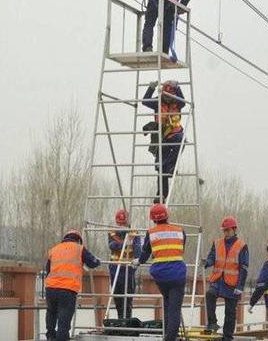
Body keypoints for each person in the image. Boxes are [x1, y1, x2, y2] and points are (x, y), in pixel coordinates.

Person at [134, 204, 187, 341]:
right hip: (177, 274)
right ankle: (170, 338)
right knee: (174, 309)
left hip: (161, 276)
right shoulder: (180, 231)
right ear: (167, 216)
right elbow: (180, 248)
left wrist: (138, 261)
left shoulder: (151, 233)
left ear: (153, 219)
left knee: (168, 303)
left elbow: (144, 255)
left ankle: (168, 335)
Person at [45, 230, 100, 341]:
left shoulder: (54, 249)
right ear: (78, 240)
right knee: (64, 320)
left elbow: (48, 269)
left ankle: (50, 336)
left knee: (51, 312)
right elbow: (93, 263)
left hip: (50, 288)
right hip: (67, 289)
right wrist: (98, 260)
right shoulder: (79, 249)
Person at [204, 217, 249, 340]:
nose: (226, 232)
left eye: (228, 230)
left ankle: (227, 336)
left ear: (234, 230)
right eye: (224, 230)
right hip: (218, 279)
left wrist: (240, 287)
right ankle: (212, 323)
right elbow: (212, 257)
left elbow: (244, 268)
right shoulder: (217, 243)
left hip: (232, 283)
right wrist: (207, 262)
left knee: (230, 312)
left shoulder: (242, 246)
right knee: (210, 294)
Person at [142, 80, 185, 203]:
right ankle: (161, 194)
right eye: (166, 96)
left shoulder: (177, 102)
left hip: (175, 134)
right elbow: (145, 101)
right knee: (161, 167)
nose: (169, 99)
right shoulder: (158, 102)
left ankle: (172, 166)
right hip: (162, 137)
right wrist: (151, 88)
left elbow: (183, 101)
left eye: (171, 96)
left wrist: (178, 87)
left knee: (181, 140)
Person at [108, 209, 141, 319]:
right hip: (115, 268)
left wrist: (137, 260)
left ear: (127, 222)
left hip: (128, 269)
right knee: (117, 296)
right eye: (119, 223)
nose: (121, 225)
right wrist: (124, 243)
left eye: (123, 223)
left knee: (128, 298)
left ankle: (127, 320)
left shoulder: (134, 232)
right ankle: (120, 319)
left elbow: (137, 249)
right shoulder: (112, 232)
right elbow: (112, 245)